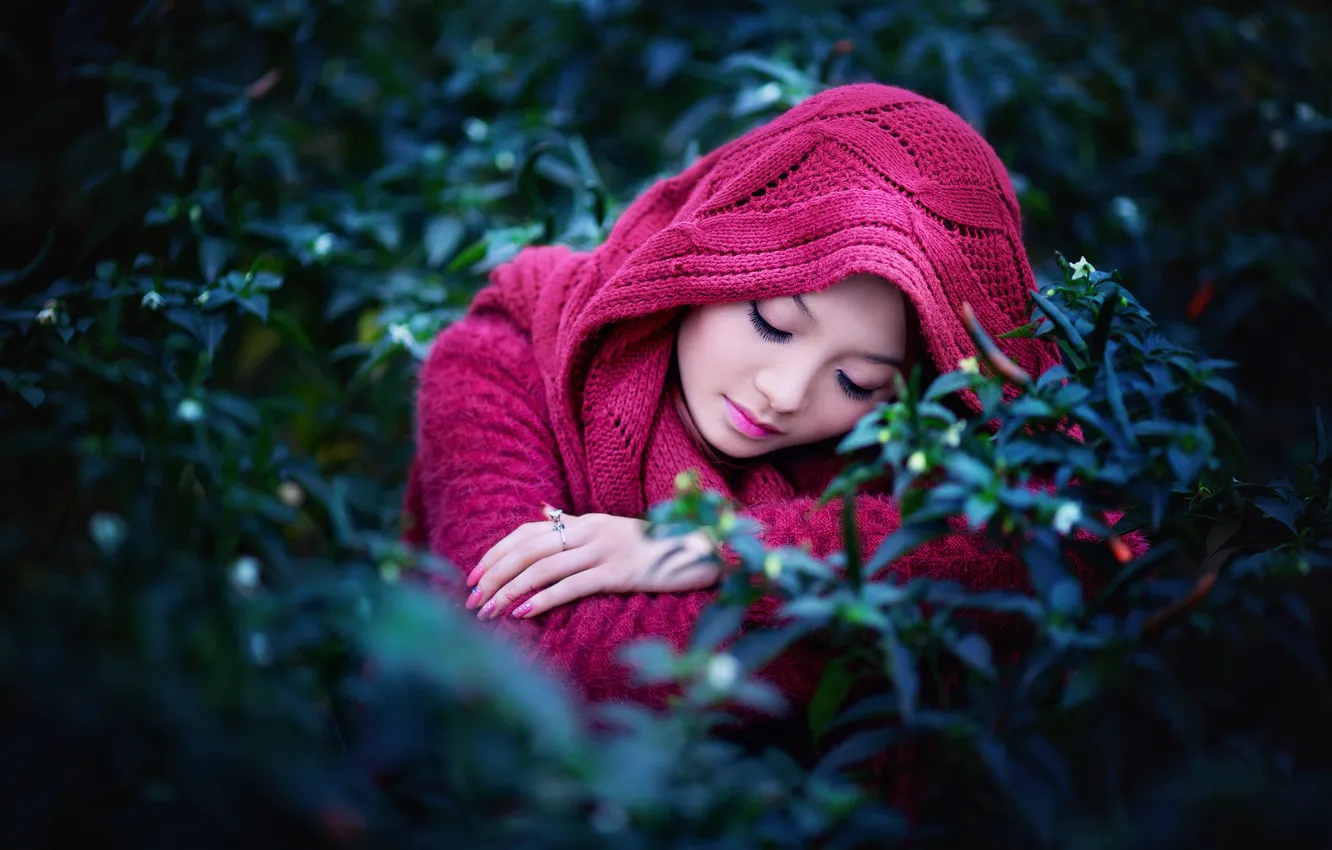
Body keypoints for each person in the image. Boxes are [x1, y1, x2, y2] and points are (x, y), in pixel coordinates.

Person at [402, 82, 1061, 709]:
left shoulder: (892, 449)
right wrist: (859, 625)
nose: (784, 393)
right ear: (709, 255)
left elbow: (1066, 540)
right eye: (772, 322)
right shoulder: (503, 355)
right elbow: (527, 661)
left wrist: (721, 549)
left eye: (857, 382)